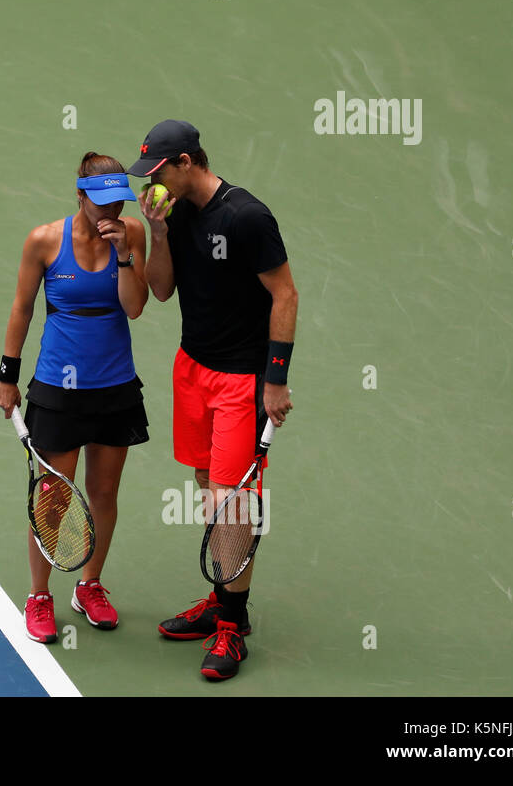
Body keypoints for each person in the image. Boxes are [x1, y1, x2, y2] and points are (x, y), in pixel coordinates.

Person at [130, 119, 298, 680]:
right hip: (192, 369)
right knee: (207, 486)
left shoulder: (247, 216)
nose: (148, 184)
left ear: (186, 163)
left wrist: (274, 380)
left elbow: (285, 293)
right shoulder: (172, 213)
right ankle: (223, 597)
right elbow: (159, 290)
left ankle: (232, 625)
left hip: (240, 381)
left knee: (234, 498)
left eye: (156, 173)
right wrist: (157, 231)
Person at [0, 151, 150, 643]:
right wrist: (7, 376)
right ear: (80, 196)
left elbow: (136, 306)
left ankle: (90, 585)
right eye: (99, 202)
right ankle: (39, 595)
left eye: (116, 203)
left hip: (115, 386)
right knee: (54, 496)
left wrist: (125, 255)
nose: (109, 212)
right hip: (58, 390)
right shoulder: (44, 241)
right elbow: (21, 309)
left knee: (104, 494)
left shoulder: (132, 235)